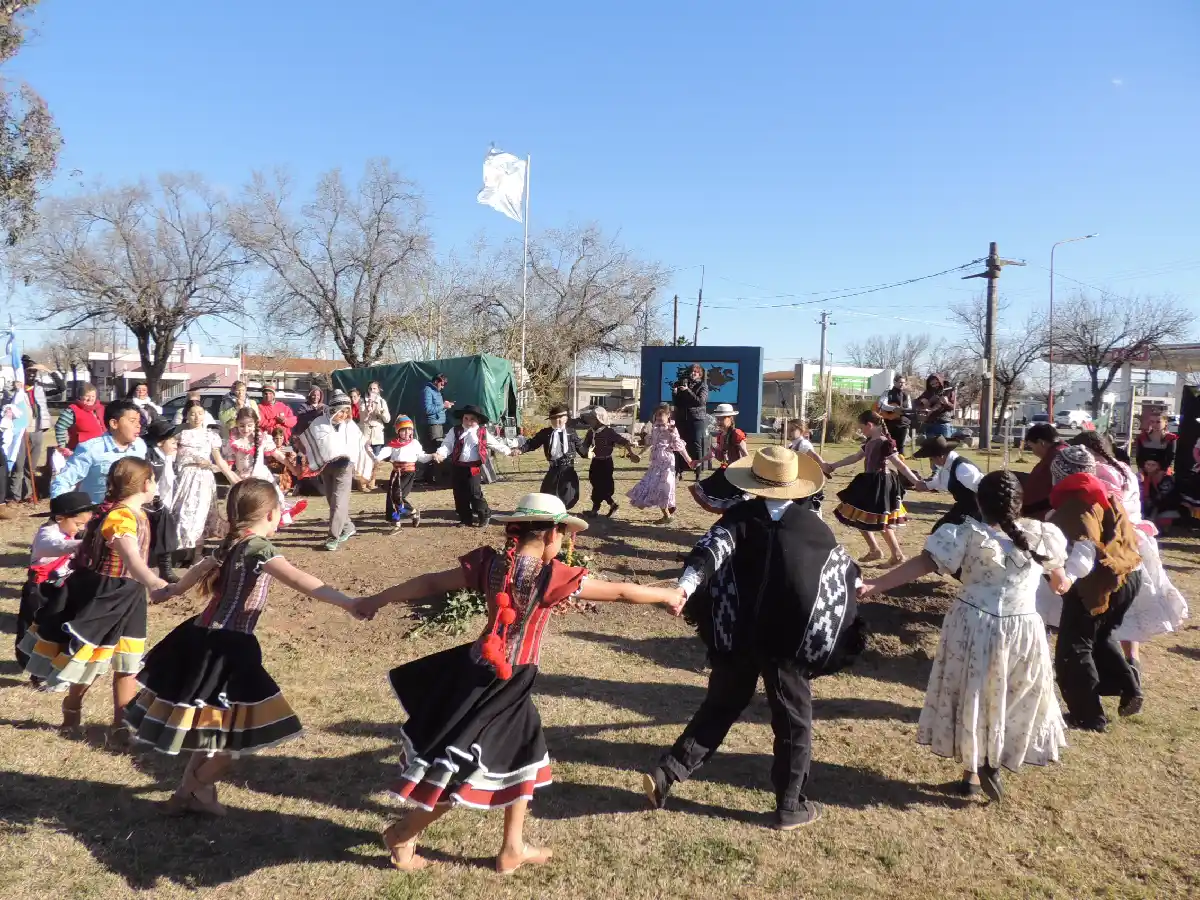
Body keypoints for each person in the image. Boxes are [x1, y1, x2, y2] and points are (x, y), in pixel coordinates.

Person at [353, 492, 683, 873]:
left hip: (479, 669)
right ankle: (403, 834)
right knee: (462, 766)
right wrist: (666, 594)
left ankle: (512, 848)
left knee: (526, 753)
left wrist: (377, 599)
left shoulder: (491, 565)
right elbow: (622, 592)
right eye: (562, 535)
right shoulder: (550, 575)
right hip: (505, 682)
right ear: (551, 534)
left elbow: (430, 583)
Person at [644, 447, 866, 830]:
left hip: (737, 636)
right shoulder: (810, 525)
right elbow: (845, 573)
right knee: (794, 720)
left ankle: (668, 773)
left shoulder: (739, 517)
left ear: (754, 483)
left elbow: (708, 553)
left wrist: (684, 589)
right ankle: (791, 805)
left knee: (720, 705)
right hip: (788, 644)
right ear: (795, 486)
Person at [125, 479, 362, 816]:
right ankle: (193, 790)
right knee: (229, 744)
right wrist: (348, 603)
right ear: (271, 514)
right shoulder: (258, 548)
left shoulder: (230, 544)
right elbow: (298, 579)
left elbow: (195, 572)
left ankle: (188, 795)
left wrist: (171, 591)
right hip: (228, 647)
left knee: (213, 728)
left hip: (200, 638)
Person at [860, 471, 1070, 802]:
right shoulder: (1043, 537)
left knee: (975, 694)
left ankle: (974, 772)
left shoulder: (965, 535)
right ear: (1020, 502)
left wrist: (875, 586)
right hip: (1023, 628)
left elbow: (923, 564)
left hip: (974, 624)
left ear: (978, 503)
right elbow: (1060, 582)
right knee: (1012, 695)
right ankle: (991, 762)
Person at [20, 457, 167, 741]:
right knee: (91, 659)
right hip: (108, 592)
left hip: (129, 594)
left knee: (128, 660)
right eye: (154, 480)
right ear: (146, 484)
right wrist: (151, 580)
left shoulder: (127, 512)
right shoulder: (120, 516)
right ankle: (72, 709)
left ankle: (121, 723)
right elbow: (129, 554)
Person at [1052, 434, 1188, 690]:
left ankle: (1112, 673)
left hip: (1114, 543)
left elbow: (1097, 512)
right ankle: (1131, 665)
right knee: (1128, 614)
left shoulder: (1101, 473)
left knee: (1103, 614)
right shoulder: (1123, 468)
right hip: (1134, 541)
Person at [1045, 446, 1143, 731]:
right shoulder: (1106, 492)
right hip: (1128, 575)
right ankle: (1129, 686)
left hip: (1100, 582)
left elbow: (1084, 555)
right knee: (1099, 638)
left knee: (1073, 649)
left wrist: (1067, 580)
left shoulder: (1078, 503)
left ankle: (1087, 716)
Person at [826, 410, 922, 566]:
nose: (860, 430)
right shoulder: (870, 441)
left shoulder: (885, 442)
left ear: (869, 425)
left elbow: (900, 465)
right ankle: (874, 550)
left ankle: (897, 555)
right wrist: (833, 465)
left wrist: (916, 481)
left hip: (881, 484)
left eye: (861, 427)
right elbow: (855, 457)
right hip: (869, 482)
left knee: (881, 520)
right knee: (857, 515)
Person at [16, 490, 95, 679]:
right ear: (60, 518)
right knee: (34, 630)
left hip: (61, 591)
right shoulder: (46, 534)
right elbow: (56, 546)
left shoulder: (70, 533)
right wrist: (84, 544)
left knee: (55, 630)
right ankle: (34, 670)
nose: (80, 529)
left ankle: (51, 667)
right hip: (40, 591)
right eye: (78, 524)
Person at [295, 390, 366, 550]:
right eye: (342, 411)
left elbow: (360, 443)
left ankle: (333, 537)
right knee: (331, 499)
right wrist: (300, 448)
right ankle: (348, 527)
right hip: (326, 466)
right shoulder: (318, 423)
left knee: (339, 502)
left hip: (345, 467)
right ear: (333, 409)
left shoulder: (351, 426)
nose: (345, 414)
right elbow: (307, 441)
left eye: (347, 411)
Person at [172, 401, 239, 563]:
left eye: (200, 413)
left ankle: (197, 554)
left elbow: (220, 461)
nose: (197, 417)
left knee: (201, 514)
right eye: (193, 413)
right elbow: (170, 455)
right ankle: (188, 550)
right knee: (185, 514)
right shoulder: (180, 434)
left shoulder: (210, 436)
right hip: (186, 478)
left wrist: (233, 479)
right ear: (186, 415)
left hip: (204, 479)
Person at [51, 400, 148, 504]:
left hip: (132, 514)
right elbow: (63, 480)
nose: (138, 425)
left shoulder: (140, 446)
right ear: (114, 423)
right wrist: (62, 509)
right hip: (98, 514)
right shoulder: (91, 448)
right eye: (132, 421)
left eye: (139, 421)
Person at [433, 404, 514, 527]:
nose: (468, 421)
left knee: (474, 492)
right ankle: (465, 518)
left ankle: (484, 514)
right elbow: (447, 445)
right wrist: (440, 454)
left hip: (474, 467)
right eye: (466, 418)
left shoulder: (482, 432)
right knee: (459, 493)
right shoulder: (455, 430)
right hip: (458, 466)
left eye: (472, 419)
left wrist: (508, 451)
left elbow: (495, 444)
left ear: (478, 420)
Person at [226, 407, 307, 527]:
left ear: (255, 424)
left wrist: (292, 468)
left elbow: (278, 454)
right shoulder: (233, 441)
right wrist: (230, 476)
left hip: (261, 476)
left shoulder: (262, 438)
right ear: (237, 424)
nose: (245, 429)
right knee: (244, 508)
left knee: (273, 499)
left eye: (249, 425)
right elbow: (228, 462)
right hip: (242, 478)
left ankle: (268, 525)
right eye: (242, 425)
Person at [627, 403, 695, 525]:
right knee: (652, 486)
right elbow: (650, 444)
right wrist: (640, 454)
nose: (658, 417)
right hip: (655, 463)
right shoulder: (654, 428)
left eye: (661, 415)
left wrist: (689, 460)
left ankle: (667, 513)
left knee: (664, 487)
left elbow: (680, 447)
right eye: (657, 415)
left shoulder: (672, 429)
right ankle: (668, 511)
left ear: (668, 415)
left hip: (667, 462)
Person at [911, 435, 983, 531]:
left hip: (977, 511)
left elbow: (983, 490)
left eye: (931, 459)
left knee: (946, 533)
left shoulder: (962, 468)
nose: (931, 463)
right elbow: (939, 482)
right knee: (938, 530)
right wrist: (924, 485)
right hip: (962, 508)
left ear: (940, 456)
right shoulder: (948, 466)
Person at [374, 414, 433, 528]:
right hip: (396, 472)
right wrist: (377, 458)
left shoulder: (414, 443)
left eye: (409, 430)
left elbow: (422, 457)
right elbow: (385, 452)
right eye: (403, 430)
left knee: (398, 495)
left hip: (408, 473)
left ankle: (413, 512)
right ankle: (396, 520)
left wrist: (432, 456)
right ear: (398, 431)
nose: (407, 433)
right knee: (392, 496)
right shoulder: (393, 444)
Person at [521, 403, 585, 510]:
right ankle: (551, 517)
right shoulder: (546, 433)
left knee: (567, 497)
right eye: (554, 418)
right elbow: (532, 443)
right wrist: (520, 450)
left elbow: (581, 448)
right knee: (547, 496)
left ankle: (562, 517)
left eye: (560, 417)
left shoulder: (571, 433)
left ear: (566, 418)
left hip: (568, 469)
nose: (557, 421)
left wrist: (589, 452)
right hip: (553, 470)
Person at [9, 357, 54, 502]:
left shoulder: (39, 388)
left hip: (37, 430)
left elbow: (61, 387)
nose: (32, 375)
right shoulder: (13, 389)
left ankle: (28, 494)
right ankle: (14, 497)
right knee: (19, 466)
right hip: (21, 431)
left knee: (31, 467)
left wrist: (48, 371)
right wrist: (15, 390)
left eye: (34, 372)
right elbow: (6, 404)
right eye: (29, 372)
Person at [143, 419, 182, 584]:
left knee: (166, 530)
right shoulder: (149, 457)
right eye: (172, 441)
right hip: (147, 502)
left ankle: (165, 568)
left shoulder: (168, 458)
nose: (176, 444)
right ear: (159, 442)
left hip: (162, 502)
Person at [579, 406, 638, 517]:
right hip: (595, 462)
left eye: (591, 418)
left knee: (604, 486)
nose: (589, 421)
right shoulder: (591, 432)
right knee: (595, 483)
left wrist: (631, 453)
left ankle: (595, 510)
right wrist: (581, 451)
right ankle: (611, 505)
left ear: (599, 419)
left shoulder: (609, 432)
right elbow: (584, 446)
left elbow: (624, 441)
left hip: (606, 463)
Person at [690, 403, 748, 514]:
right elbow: (714, 454)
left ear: (730, 419)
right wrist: (699, 461)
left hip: (737, 472)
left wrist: (747, 471)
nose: (719, 422)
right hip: (727, 471)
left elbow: (745, 454)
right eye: (718, 419)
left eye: (722, 419)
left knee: (737, 500)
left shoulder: (736, 434)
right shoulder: (721, 435)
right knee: (710, 489)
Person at [1020, 423, 1068, 518]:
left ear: (1041, 443)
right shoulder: (1061, 453)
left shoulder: (1057, 458)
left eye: (1032, 447)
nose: (1033, 452)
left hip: (1046, 515)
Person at [672, 364, 709, 480]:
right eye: (691, 372)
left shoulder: (702, 386)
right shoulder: (682, 383)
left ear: (700, 374)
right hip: (682, 418)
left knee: (696, 444)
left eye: (696, 372)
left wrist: (688, 391)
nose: (693, 374)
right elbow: (677, 403)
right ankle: (679, 469)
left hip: (697, 418)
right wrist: (675, 393)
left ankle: (697, 471)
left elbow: (700, 402)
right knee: (678, 443)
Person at [54, 383, 106, 456]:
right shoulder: (72, 411)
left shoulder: (100, 408)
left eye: (93, 396)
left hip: (101, 449)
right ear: (80, 396)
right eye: (87, 396)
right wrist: (63, 447)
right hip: (80, 451)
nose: (90, 399)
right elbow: (60, 427)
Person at [420, 373, 453, 485]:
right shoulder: (428, 390)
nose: (443, 387)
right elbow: (428, 409)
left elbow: (436, 409)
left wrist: (445, 407)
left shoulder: (436, 391)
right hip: (433, 425)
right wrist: (443, 406)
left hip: (438, 424)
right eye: (442, 384)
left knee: (436, 449)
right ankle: (432, 477)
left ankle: (432, 476)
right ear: (436, 381)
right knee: (434, 450)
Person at [875, 374, 914, 454]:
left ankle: (900, 465)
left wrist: (903, 410)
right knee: (887, 445)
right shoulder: (887, 393)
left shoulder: (907, 395)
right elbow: (882, 404)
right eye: (900, 382)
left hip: (903, 424)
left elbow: (910, 408)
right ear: (894, 382)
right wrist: (894, 409)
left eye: (903, 383)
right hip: (889, 423)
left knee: (901, 447)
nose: (902, 384)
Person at [914, 374, 956, 441]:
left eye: (937, 383)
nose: (935, 385)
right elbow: (915, 402)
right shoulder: (928, 392)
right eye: (932, 384)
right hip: (930, 423)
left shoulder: (948, 390)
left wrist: (947, 403)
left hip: (943, 423)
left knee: (944, 447)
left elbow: (953, 407)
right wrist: (921, 400)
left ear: (940, 381)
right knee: (931, 448)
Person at [363, 381, 391, 455]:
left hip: (377, 435)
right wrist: (366, 410)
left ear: (378, 390)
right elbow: (360, 417)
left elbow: (387, 420)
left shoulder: (382, 401)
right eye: (370, 388)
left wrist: (381, 412)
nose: (372, 390)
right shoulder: (363, 401)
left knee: (376, 458)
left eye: (374, 388)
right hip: (365, 434)